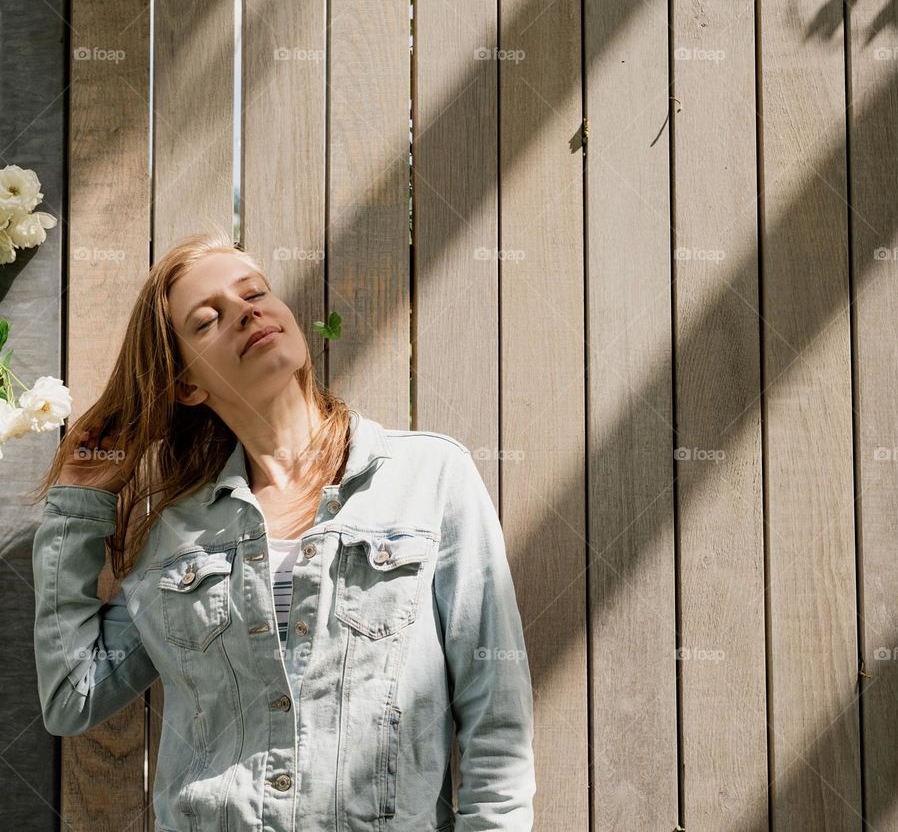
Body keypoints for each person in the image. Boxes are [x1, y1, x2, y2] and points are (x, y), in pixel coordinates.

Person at [29, 230, 536, 831]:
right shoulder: (174, 535)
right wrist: (78, 507)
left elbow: (495, 713)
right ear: (189, 384)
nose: (245, 311)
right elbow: (73, 695)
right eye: (207, 319)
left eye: (255, 292)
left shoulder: (431, 478)